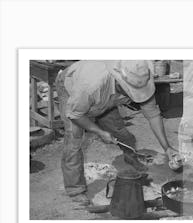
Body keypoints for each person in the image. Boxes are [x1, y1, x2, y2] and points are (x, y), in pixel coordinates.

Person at [55, 60, 177, 206]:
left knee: (120, 131)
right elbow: (75, 115)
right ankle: (75, 189)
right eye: (131, 91)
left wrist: (167, 147)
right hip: (72, 90)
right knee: (74, 140)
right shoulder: (90, 85)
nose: (135, 95)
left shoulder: (141, 78)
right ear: (119, 83)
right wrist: (99, 131)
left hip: (104, 96)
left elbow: (153, 114)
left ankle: (131, 157)